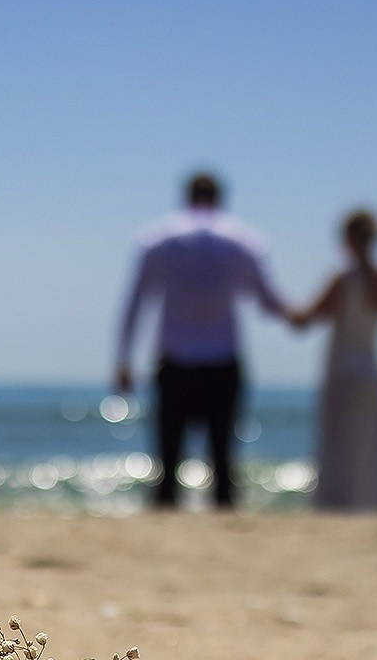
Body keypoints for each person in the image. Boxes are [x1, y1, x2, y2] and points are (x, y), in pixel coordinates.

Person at [112, 171, 292, 509]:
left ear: (186, 196)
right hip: (223, 360)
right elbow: (267, 300)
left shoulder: (158, 239)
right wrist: (300, 315)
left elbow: (136, 302)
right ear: (221, 198)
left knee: (167, 463)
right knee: (223, 461)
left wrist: (123, 358)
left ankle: (163, 533)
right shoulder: (243, 240)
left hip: (175, 360)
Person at [293, 208, 377, 511]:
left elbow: (306, 319)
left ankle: (336, 509)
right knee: (369, 453)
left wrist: (276, 305)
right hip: (370, 375)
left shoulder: (343, 281)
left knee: (338, 450)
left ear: (349, 240)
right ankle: (371, 509)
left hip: (341, 374)